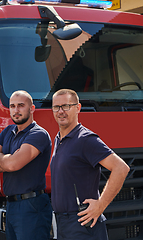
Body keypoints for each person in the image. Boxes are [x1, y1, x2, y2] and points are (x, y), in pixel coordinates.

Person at [50, 89, 130, 240]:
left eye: (66, 106)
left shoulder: (85, 139)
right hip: (63, 224)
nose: (61, 111)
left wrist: (101, 205)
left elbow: (121, 168)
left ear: (78, 108)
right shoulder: (59, 139)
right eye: (56, 107)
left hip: (82, 224)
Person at [0, 90, 52, 240]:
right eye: (12, 106)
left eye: (21, 106)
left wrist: (1, 157)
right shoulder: (7, 131)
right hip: (11, 205)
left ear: (32, 108)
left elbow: (14, 165)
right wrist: (8, 160)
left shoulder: (38, 134)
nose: (16, 111)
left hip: (31, 205)